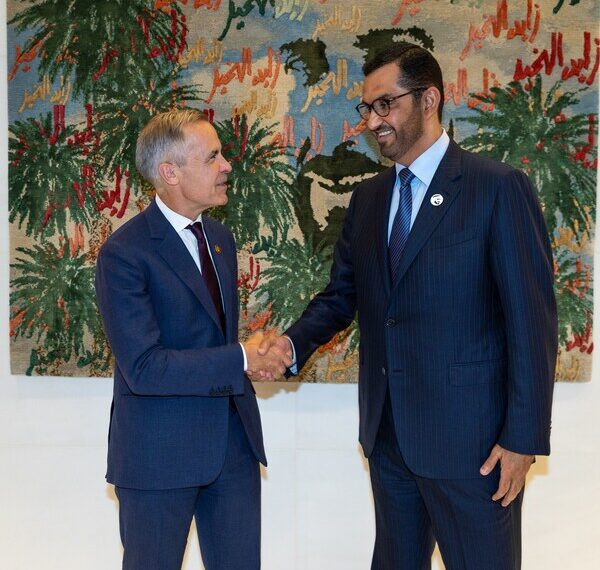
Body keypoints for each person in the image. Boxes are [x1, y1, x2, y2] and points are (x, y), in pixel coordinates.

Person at [257, 43, 557, 569]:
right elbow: (342, 295)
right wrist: (290, 343)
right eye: (366, 109)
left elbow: (531, 324)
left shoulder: (496, 189)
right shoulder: (369, 200)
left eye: (385, 105)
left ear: (430, 99)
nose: (373, 121)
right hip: (388, 438)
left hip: (476, 447)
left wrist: (522, 440)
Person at [95, 109, 291, 570]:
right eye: (213, 157)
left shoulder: (220, 239)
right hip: (159, 455)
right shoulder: (123, 254)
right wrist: (243, 357)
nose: (226, 166)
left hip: (233, 449)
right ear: (170, 173)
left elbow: (209, 338)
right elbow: (144, 367)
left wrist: (257, 357)